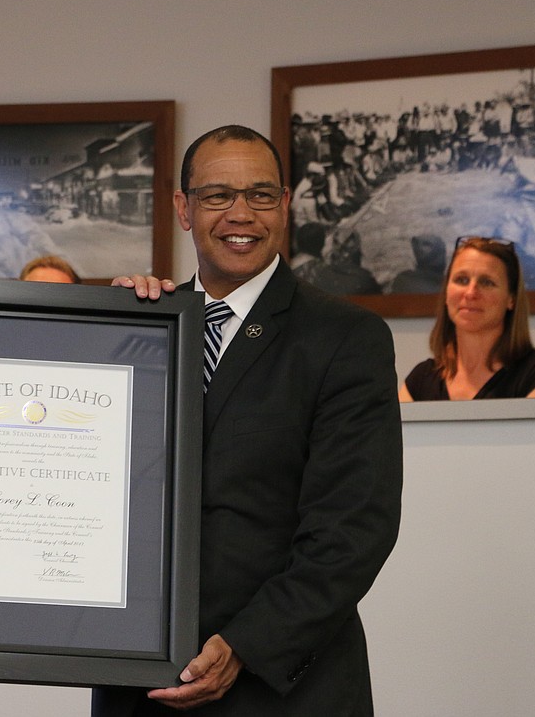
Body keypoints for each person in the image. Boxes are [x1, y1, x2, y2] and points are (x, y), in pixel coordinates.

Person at [100, 125, 402, 715]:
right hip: (136, 684)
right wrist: (104, 333)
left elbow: (352, 530)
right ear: (183, 209)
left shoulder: (346, 339)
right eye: (217, 196)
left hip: (280, 688)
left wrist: (245, 645)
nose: (242, 214)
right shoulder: (141, 328)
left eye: (261, 195)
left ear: (285, 206)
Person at [399, 236, 535, 400]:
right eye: (462, 279)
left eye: (487, 282)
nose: (471, 293)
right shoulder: (421, 379)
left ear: (511, 299)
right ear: (446, 292)